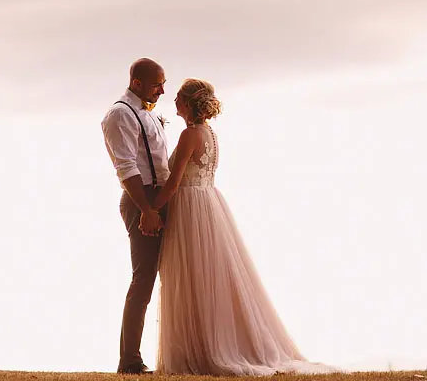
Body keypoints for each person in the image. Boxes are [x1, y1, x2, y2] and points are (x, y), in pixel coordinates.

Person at [153, 79, 329, 375]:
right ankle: (206, 341)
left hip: (191, 207)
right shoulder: (210, 133)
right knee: (209, 275)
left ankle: (204, 347)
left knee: (194, 275)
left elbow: (173, 182)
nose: (174, 101)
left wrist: (151, 209)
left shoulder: (189, 135)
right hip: (208, 202)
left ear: (189, 103)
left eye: (179, 97)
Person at [100, 58, 171, 374]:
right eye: (157, 84)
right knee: (143, 280)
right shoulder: (119, 114)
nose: (163, 90)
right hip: (142, 200)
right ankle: (129, 361)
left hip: (160, 199)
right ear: (137, 82)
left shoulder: (148, 113)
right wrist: (147, 209)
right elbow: (125, 167)